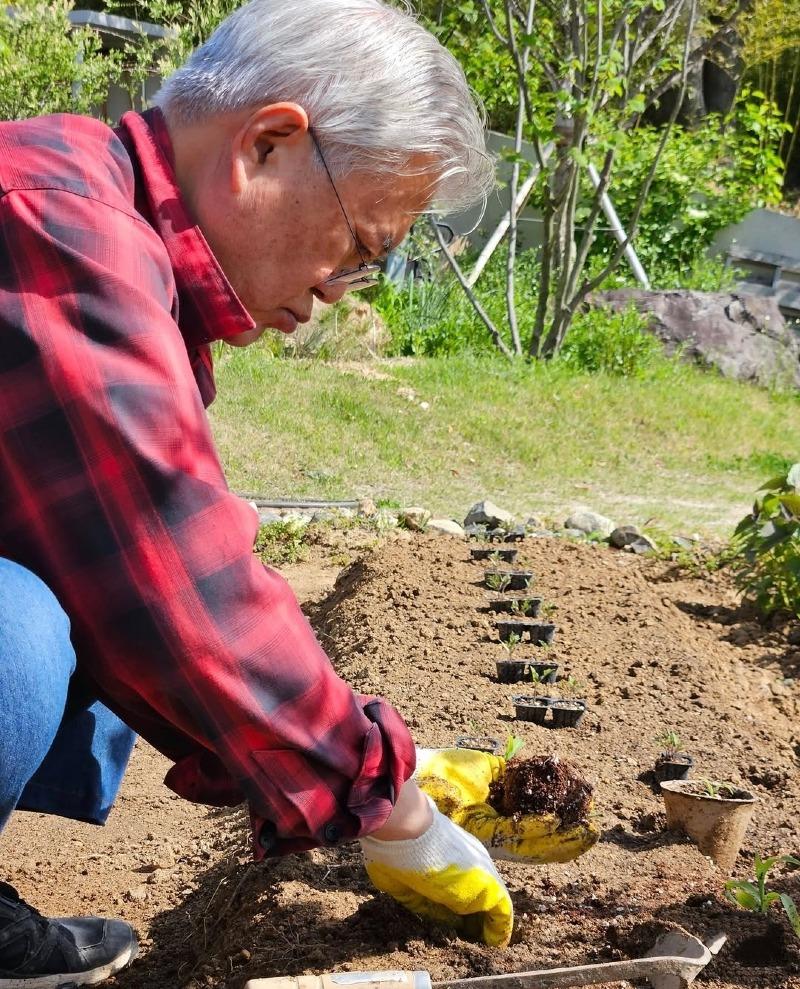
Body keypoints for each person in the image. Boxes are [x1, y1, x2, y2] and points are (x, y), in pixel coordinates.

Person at [0, 1, 599, 984]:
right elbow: (171, 582)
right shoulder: (56, 225)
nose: (336, 290)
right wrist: (384, 796)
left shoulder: (92, 215)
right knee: (16, 628)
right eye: (360, 246)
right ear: (269, 144)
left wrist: (356, 757)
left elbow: (166, 568)